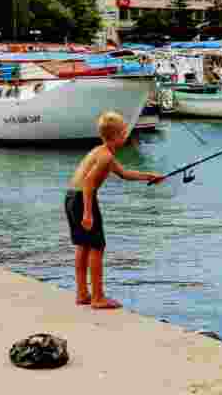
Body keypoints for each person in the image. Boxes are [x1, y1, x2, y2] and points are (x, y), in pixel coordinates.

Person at [65, 112, 163, 309]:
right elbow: (88, 184)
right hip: (84, 199)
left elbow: (124, 173)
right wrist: (88, 213)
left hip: (71, 197)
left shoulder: (100, 151)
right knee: (96, 247)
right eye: (125, 131)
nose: (127, 134)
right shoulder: (105, 157)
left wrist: (148, 176)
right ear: (118, 135)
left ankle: (83, 293)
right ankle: (98, 298)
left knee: (83, 246)